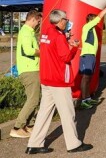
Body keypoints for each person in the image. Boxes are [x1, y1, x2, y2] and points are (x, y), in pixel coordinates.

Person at [26, 9, 92, 154]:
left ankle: (34, 144)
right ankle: (73, 144)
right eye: (66, 20)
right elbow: (65, 57)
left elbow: (52, 50)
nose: (67, 22)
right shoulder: (58, 35)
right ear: (61, 20)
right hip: (58, 79)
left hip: (46, 78)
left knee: (44, 112)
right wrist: (74, 48)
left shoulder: (45, 33)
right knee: (68, 113)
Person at [79, 1, 106, 110]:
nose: (97, 21)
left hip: (91, 56)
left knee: (88, 78)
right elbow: (99, 16)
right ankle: (83, 100)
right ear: (91, 20)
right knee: (85, 78)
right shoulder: (87, 26)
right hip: (87, 56)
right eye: (94, 19)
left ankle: (87, 98)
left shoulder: (91, 29)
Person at [11, 10, 42, 138]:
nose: (38, 24)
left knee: (34, 99)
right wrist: (42, 52)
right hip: (29, 70)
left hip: (30, 68)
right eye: (38, 21)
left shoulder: (28, 32)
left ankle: (28, 126)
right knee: (33, 100)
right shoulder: (26, 32)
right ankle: (17, 127)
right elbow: (28, 51)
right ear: (33, 19)